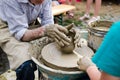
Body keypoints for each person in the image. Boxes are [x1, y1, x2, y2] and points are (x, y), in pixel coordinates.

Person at [0, 0, 81, 80]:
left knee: (48, 49)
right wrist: (44, 31)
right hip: (8, 27)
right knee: (26, 62)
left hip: (31, 23)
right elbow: (21, 33)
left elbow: (48, 22)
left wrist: (65, 33)